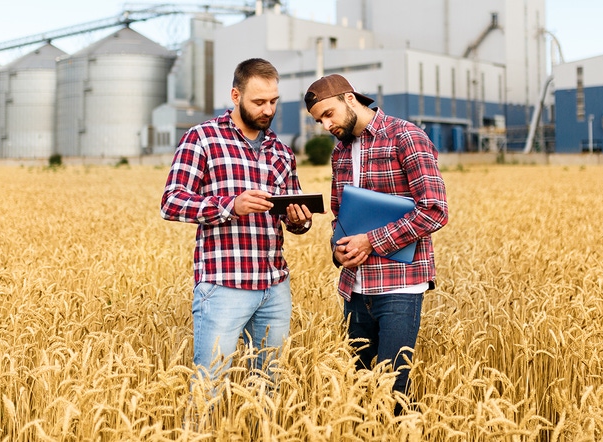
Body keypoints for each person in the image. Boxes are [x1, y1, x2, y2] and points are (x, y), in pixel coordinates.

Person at [161, 58, 313, 380]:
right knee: (210, 385)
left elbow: (295, 215)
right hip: (223, 285)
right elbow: (171, 202)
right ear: (235, 96)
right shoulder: (201, 138)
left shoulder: (282, 151)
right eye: (258, 102)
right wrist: (232, 205)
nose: (268, 110)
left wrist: (300, 219)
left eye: (273, 101)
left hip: (274, 286)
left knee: (268, 384)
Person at [304, 74, 448, 412]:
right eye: (319, 120)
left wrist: (371, 241)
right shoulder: (340, 153)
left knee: (393, 393)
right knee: (362, 391)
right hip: (355, 290)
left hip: (400, 287)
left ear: (350, 99)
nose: (326, 125)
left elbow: (434, 210)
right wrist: (338, 249)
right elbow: (339, 215)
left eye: (329, 114)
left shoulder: (405, 136)